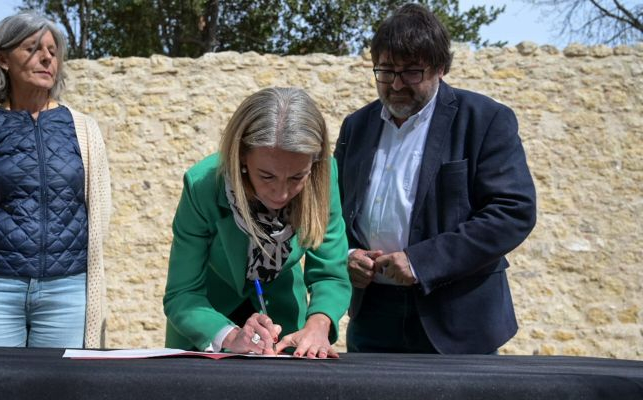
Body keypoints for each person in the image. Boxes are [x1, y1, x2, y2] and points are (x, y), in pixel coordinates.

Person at [335, 3, 536, 354]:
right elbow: (331, 210)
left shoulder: (485, 119)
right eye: (385, 71)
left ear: (441, 68)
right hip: (372, 314)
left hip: (458, 319)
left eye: (412, 72)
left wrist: (421, 262)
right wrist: (348, 254)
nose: (396, 84)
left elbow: (513, 211)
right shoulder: (356, 126)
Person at [0, 12, 111, 348]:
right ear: (2, 59)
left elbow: (100, 211)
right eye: (32, 48)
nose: (47, 58)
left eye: (52, 50)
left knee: (63, 380)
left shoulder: (84, 129)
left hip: (68, 291)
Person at [163, 87, 351, 358]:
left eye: (297, 177)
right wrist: (230, 336)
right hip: (206, 328)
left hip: (286, 331)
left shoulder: (323, 176)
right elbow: (182, 292)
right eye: (267, 176)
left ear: (315, 163)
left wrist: (318, 325)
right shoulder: (202, 185)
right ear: (241, 155)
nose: (281, 194)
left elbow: (330, 273)